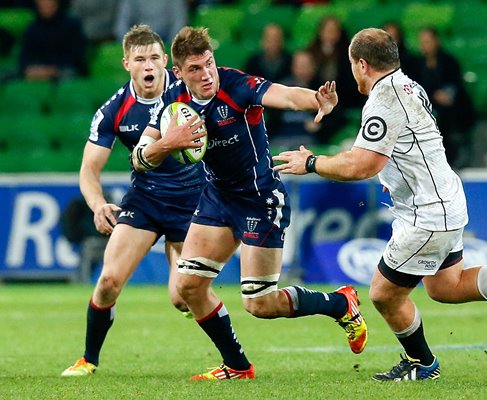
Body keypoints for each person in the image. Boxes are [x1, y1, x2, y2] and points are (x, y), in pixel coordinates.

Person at [273, 28, 487, 382]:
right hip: (444, 198)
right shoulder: (406, 84)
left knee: (383, 294)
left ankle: (422, 364)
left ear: (361, 64)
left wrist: (312, 163)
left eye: (351, 65)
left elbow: (363, 165)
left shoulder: (385, 100)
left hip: (427, 212)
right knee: (446, 286)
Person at [131, 26, 368, 380]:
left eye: (209, 63)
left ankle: (339, 303)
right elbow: (139, 158)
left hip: (260, 199)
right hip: (217, 198)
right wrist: (168, 142)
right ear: (178, 72)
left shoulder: (235, 86)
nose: (206, 74)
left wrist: (317, 101)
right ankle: (238, 366)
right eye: (195, 69)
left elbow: (284, 95)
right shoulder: (172, 102)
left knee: (259, 303)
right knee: (187, 288)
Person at [61, 25, 207, 377]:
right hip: (145, 201)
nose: (149, 66)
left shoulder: (189, 93)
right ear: (127, 63)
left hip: (193, 203)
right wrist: (98, 205)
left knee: (180, 297)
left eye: (155, 58)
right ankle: (88, 359)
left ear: (165, 64)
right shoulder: (114, 110)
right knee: (108, 281)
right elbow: (88, 170)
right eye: (140, 59)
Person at [414, 27, 475, 169]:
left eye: (428, 42)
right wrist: (432, 95)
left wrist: (446, 94)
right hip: (425, 104)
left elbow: (455, 84)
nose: (425, 46)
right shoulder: (416, 64)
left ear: (436, 41)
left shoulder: (449, 61)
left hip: (449, 105)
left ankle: (453, 154)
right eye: (422, 42)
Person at [271, 49, 346, 148]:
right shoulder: (282, 87)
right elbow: (271, 116)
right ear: (293, 67)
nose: (302, 70)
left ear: (313, 67)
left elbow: (338, 115)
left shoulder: (323, 88)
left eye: (305, 65)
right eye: (299, 66)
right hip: (282, 135)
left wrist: (321, 125)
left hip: (309, 137)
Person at [18, 0, 88, 80]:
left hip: (65, 69)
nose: (45, 6)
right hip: (38, 69)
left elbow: (77, 56)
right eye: (42, 4)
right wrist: (35, 68)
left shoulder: (72, 26)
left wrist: (53, 69)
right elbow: (25, 56)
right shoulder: (32, 28)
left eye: (49, 4)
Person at [114, 0, 187, 45]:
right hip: (138, 40)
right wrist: (127, 43)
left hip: (166, 40)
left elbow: (178, 22)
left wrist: (172, 45)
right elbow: (122, 22)